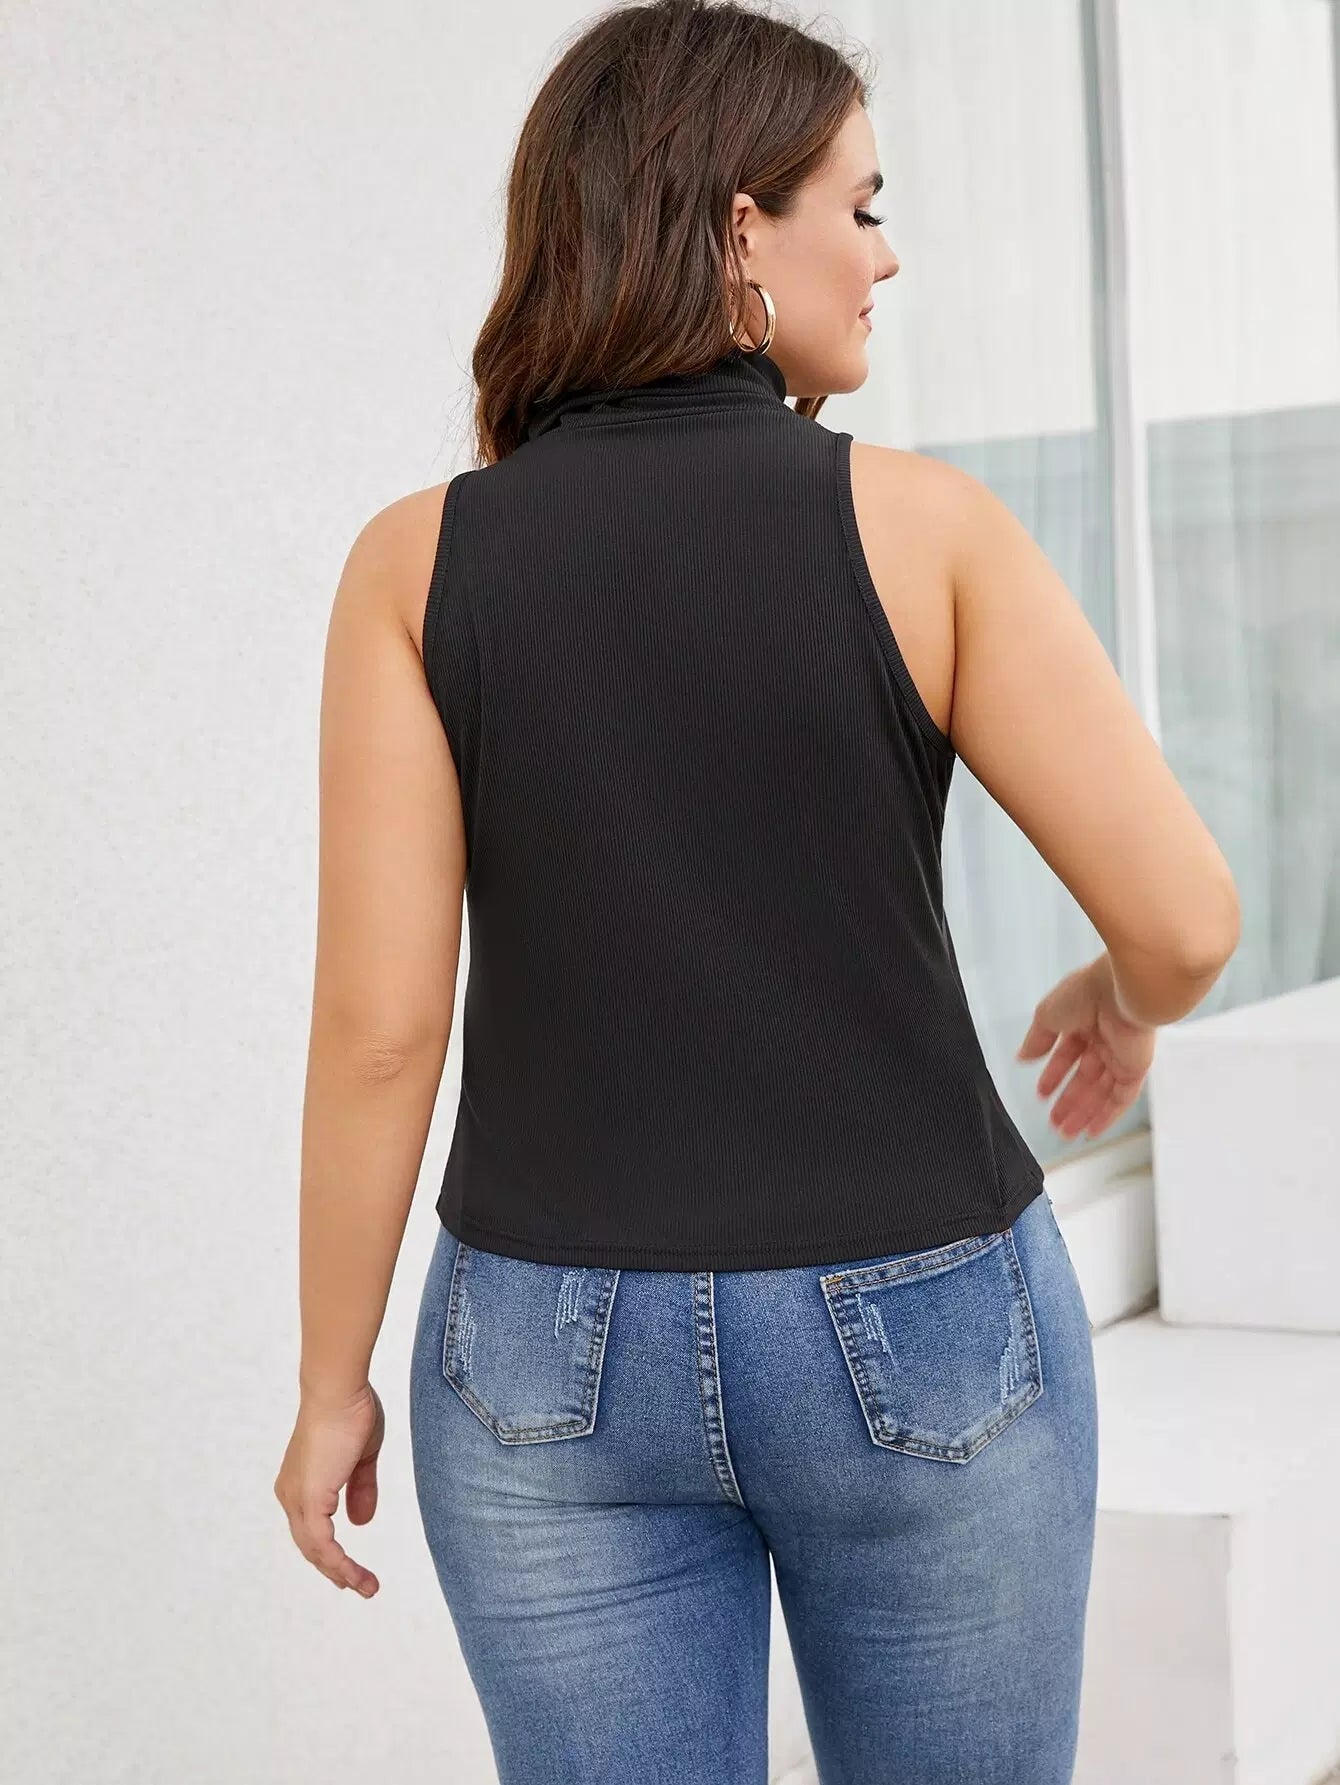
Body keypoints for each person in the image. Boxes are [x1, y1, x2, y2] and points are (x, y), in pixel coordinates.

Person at [273, 2, 1241, 1780]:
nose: (886, 256)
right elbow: (1185, 922)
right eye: (859, 208)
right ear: (740, 232)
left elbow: (381, 1026)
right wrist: (1120, 1002)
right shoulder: (927, 530)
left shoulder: (416, 566)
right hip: (929, 1320)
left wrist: (333, 1376)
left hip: (543, 1355)